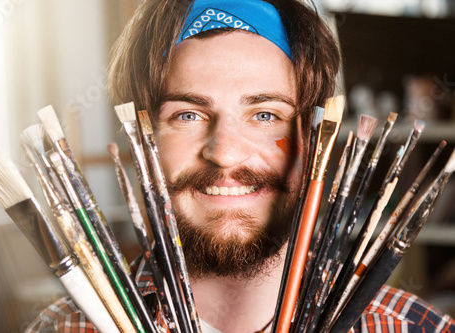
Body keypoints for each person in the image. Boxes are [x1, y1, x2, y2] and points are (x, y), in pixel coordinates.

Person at [27, 0, 455, 332]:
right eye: (187, 116)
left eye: (265, 114)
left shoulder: (416, 328)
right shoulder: (61, 328)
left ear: (313, 140)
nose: (226, 154)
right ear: (141, 140)